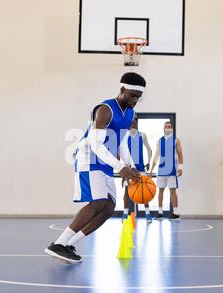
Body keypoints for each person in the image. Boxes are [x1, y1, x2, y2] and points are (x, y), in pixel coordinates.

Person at [44, 72, 145, 263]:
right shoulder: (105, 109)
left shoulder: (130, 113)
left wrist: (131, 167)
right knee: (98, 202)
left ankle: (68, 244)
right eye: (133, 95)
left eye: (139, 97)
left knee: (109, 207)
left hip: (105, 161)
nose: (135, 100)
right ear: (122, 90)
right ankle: (58, 244)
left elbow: (122, 144)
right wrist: (120, 167)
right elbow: (96, 144)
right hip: (89, 157)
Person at [149, 121, 183, 220]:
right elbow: (156, 156)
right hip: (161, 170)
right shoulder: (159, 141)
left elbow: (180, 154)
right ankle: (160, 213)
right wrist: (151, 169)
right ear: (163, 128)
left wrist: (180, 167)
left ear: (172, 128)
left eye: (169, 126)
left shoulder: (176, 140)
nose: (167, 128)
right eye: (166, 127)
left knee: (172, 191)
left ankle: (176, 213)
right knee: (160, 190)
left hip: (172, 169)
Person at [122, 119, 153, 223]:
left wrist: (148, 161)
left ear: (137, 124)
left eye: (135, 123)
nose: (133, 124)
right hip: (129, 168)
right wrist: (121, 166)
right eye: (131, 123)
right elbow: (120, 151)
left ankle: (148, 214)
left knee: (144, 189)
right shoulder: (124, 136)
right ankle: (125, 214)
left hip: (140, 167)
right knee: (127, 190)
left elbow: (149, 150)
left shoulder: (142, 135)